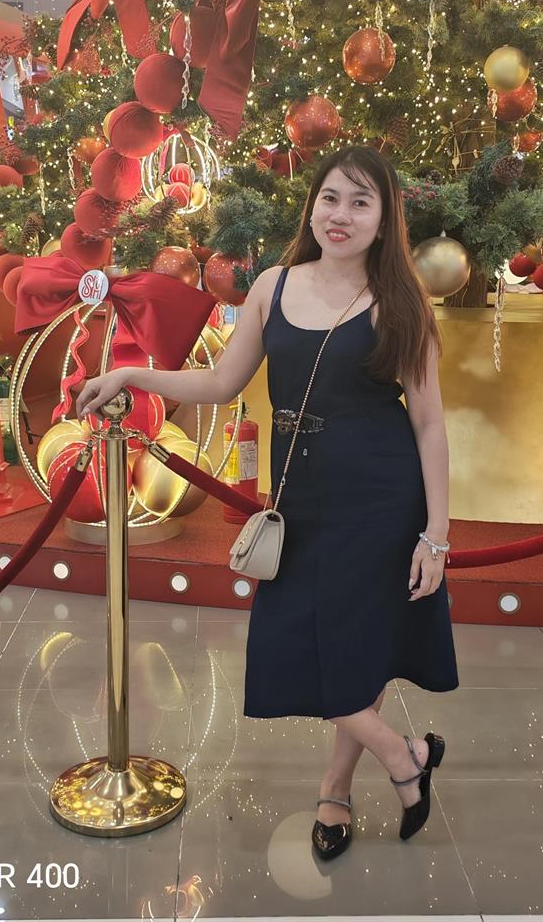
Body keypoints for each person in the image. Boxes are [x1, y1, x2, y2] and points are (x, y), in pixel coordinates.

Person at [77, 145, 459, 859]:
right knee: (305, 645)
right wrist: (133, 374)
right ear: (311, 207)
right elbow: (221, 383)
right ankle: (403, 754)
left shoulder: (402, 302)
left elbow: (430, 422)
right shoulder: (273, 287)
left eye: (361, 203)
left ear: (384, 220)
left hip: (380, 499)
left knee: (355, 649)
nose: (341, 215)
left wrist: (435, 533)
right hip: (299, 498)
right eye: (330, 198)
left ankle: (336, 789)